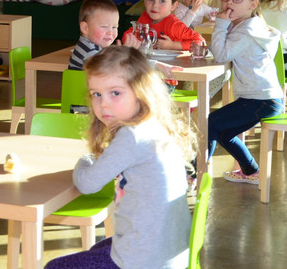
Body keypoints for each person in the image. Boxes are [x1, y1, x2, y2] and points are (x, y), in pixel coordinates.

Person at [44, 46, 195, 269]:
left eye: (115, 93)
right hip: (169, 253)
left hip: (144, 260)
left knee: (54, 267)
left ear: (140, 92)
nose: (103, 103)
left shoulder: (132, 136)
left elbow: (87, 184)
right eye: (96, 94)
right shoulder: (154, 126)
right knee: (98, 248)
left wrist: (85, 160)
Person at [206, 0, 283, 185]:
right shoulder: (248, 25)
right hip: (265, 98)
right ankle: (251, 171)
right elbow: (227, 50)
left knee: (210, 123)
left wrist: (220, 25)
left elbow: (222, 55)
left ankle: (194, 174)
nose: (229, 3)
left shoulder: (246, 30)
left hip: (260, 100)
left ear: (253, 4)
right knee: (224, 134)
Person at [122, 0, 205, 51]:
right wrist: (131, 41)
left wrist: (173, 45)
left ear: (173, 6)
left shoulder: (174, 25)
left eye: (162, 1)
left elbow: (200, 41)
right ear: (144, 0)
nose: (155, 5)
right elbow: (129, 33)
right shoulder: (145, 17)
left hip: (173, 62)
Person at [68, 0, 120, 71]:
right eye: (104, 26)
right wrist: (124, 55)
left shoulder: (87, 46)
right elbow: (108, 72)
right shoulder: (89, 51)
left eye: (114, 27)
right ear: (85, 28)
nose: (110, 32)